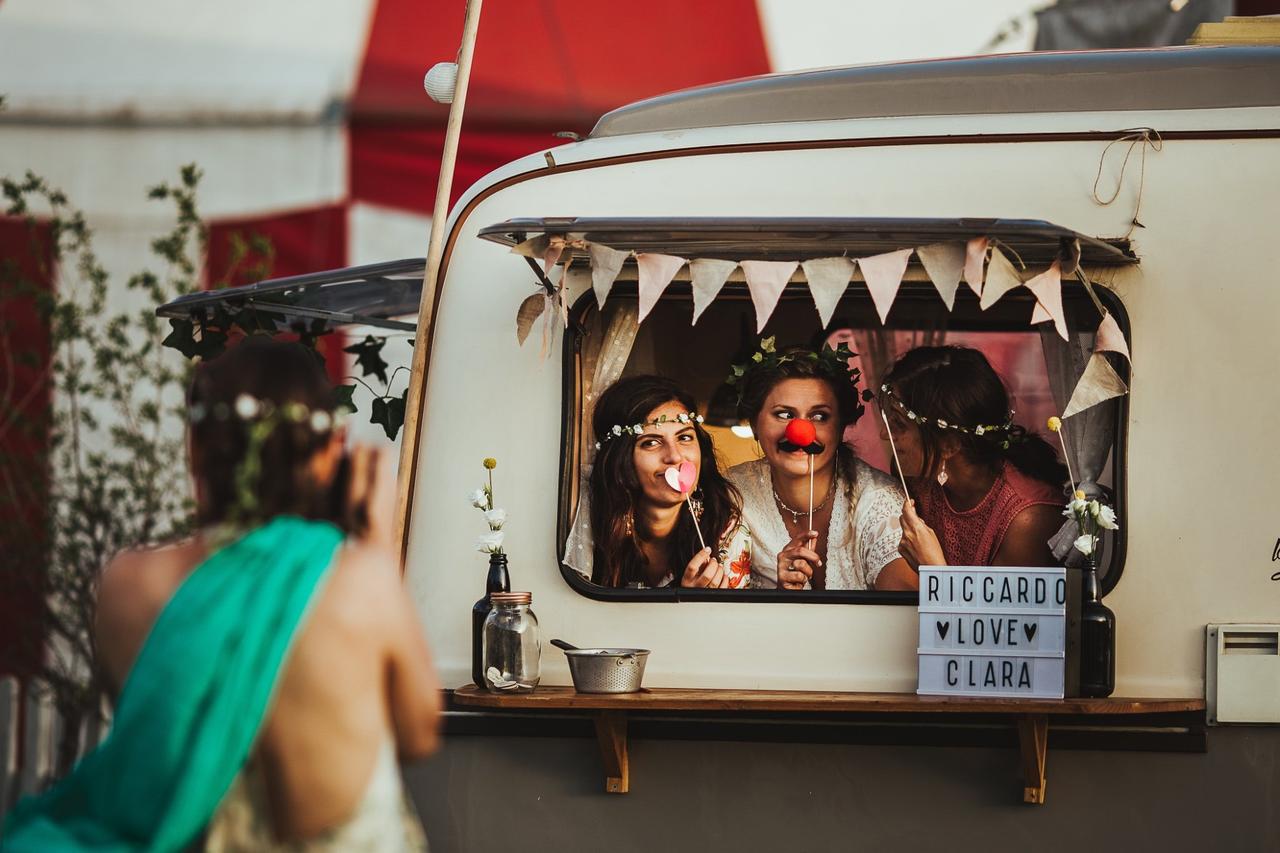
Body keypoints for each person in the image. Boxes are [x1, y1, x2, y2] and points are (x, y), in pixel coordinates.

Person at [2, 337, 441, 851]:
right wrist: (378, 551)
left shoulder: (129, 585)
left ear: (196, 447)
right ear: (328, 455)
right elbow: (419, 734)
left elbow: (174, 734)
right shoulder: (362, 584)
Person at [727, 339, 917, 591]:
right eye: (784, 414)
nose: (800, 432)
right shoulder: (732, 495)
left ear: (839, 429)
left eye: (819, 416)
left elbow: (902, 610)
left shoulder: (879, 499)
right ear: (754, 425)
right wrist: (779, 597)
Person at [879, 345, 1068, 569]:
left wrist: (933, 569)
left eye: (899, 424)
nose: (885, 434)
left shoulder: (1027, 519)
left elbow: (998, 606)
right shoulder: (918, 480)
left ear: (949, 445)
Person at [586, 375, 751, 589]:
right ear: (620, 458)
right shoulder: (588, 524)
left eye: (684, 438)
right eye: (651, 442)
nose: (674, 456)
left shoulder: (725, 529)